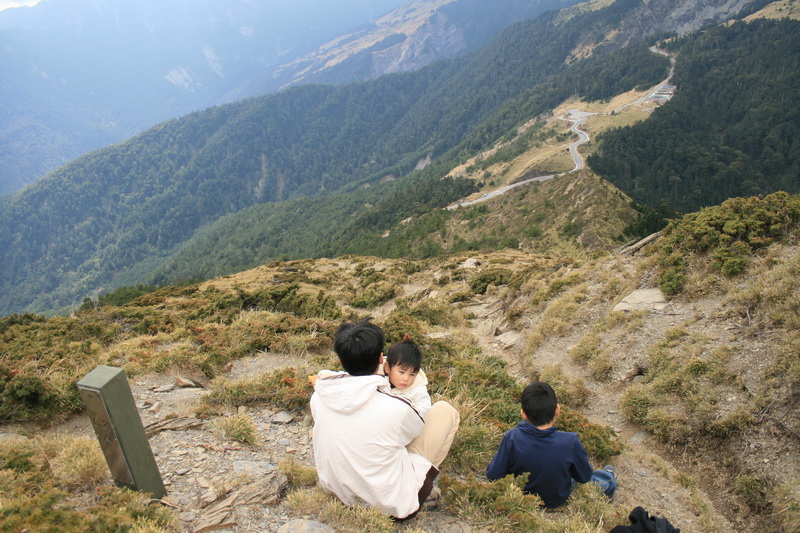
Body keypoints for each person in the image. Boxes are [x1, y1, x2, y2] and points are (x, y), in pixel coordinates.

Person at [310, 318, 460, 519]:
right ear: (382, 359)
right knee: (446, 411)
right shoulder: (396, 407)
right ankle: (423, 488)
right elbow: (412, 433)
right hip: (388, 503)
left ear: (341, 362)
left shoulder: (319, 395)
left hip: (337, 489)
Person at [486, 381, 617, 508]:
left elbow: (493, 475)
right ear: (557, 410)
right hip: (557, 499)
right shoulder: (570, 442)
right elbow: (584, 477)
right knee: (597, 479)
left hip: (522, 496)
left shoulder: (512, 437)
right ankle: (609, 479)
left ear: (523, 413)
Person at [383, 334, 432, 417]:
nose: (406, 378)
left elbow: (424, 407)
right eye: (401, 372)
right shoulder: (377, 379)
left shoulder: (417, 388)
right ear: (387, 367)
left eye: (412, 374)